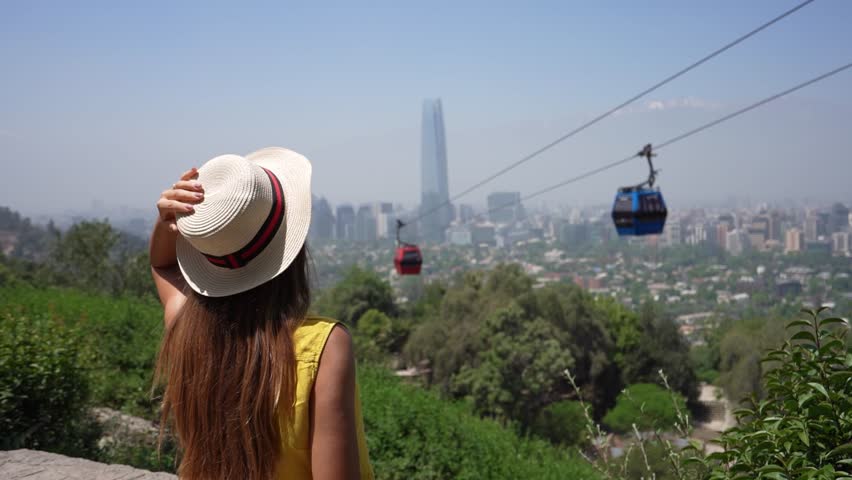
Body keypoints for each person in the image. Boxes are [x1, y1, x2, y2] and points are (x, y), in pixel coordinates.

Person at [149, 147, 374, 480]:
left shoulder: (187, 331)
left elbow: (162, 265)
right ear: (293, 250)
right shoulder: (324, 347)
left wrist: (166, 220)